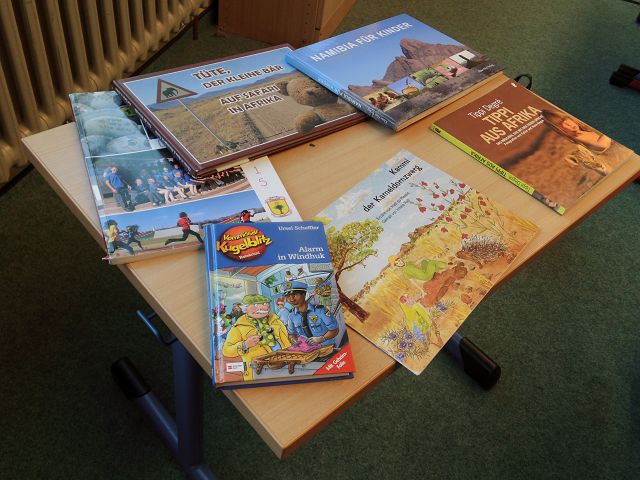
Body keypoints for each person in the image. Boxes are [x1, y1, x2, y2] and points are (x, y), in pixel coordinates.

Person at [222, 294, 292, 381]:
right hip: (259, 371)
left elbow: (286, 340)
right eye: (255, 305)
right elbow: (226, 350)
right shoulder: (239, 327)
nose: (261, 307)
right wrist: (245, 345)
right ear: (245, 308)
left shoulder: (276, 321)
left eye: (265, 304)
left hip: (285, 365)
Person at [284, 281, 338, 347]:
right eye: (288, 296)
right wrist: (293, 340)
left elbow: (335, 330)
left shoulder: (320, 310)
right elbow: (291, 334)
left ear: (304, 295)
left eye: (295, 295)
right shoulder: (291, 316)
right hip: (308, 350)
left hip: (327, 347)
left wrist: (322, 338)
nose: (292, 299)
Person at [542, 109, 612, 153]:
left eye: (565, 119)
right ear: (561, 131)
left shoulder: (583, 131)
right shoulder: (578, 137)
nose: (569, 124)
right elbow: (602, 145)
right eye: (562, 124)